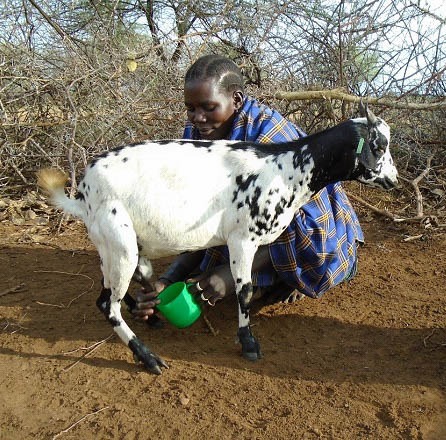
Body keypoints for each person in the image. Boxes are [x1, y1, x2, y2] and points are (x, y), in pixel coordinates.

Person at [131, 54, 363, 321]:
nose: (198, 118)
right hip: (256, 220)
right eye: (190, 108)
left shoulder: (269, 140)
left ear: (237, 100)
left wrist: (233, 273)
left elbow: (288, 223)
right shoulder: (197, 133)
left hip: (314, 231)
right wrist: (167, 279)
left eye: (208, 107)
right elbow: (201, 209)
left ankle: (291, 278)